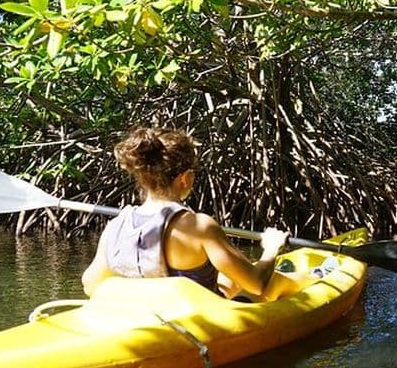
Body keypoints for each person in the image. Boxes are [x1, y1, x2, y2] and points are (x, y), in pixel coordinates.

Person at [82, 127, 294, 301]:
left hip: (149, 316)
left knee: (230, 278)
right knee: (271, 280)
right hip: (198, 321)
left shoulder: (117, 225)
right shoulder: (198, 227)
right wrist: (271, 249)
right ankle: (311, 276)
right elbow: (256, 284)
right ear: (185, 178)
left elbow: (90, 285)